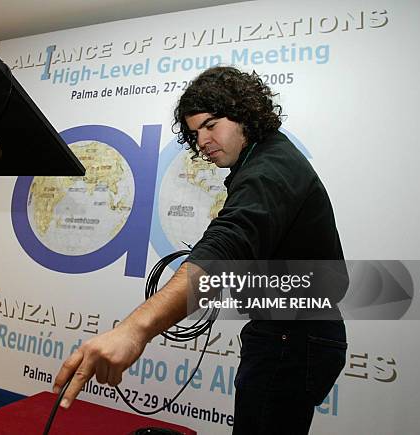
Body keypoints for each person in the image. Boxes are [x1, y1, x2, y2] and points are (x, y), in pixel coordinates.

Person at [53, 66, 348, 434]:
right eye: (195, 133)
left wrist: (134, 329)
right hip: (291, 333)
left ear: (245, 112)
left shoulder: (268, 170)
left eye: (210, 125)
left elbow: (225, 247)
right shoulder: (265, 159)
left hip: (293, 338)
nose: (203, 140)